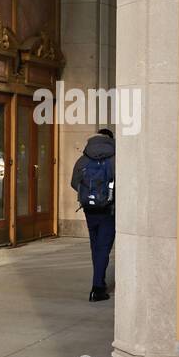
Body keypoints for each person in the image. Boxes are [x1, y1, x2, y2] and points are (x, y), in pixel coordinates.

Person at [71, 128, 115, 301]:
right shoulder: (115, 159)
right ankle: (97, 288)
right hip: (109, 209)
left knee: (95, 245)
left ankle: (99, 281)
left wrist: (89, 195)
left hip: (89, 209)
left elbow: (74, 182)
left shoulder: (83, 159)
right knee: (104, 247)